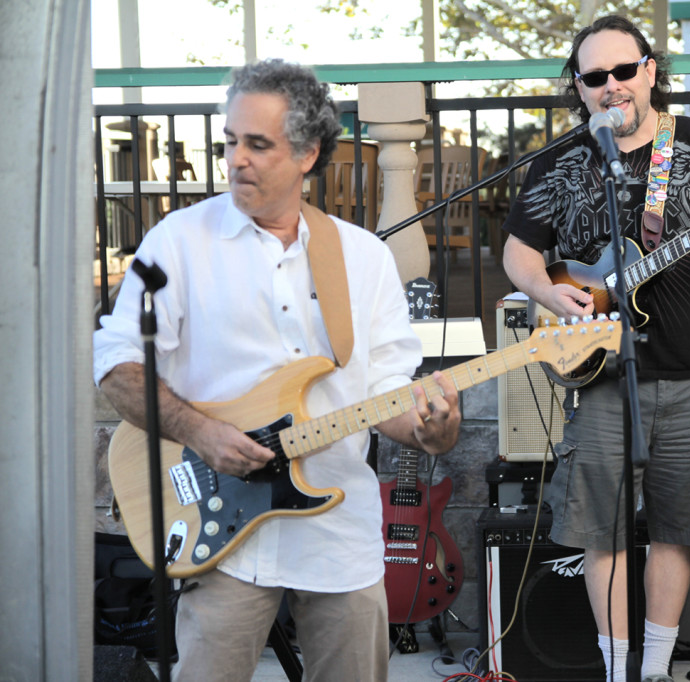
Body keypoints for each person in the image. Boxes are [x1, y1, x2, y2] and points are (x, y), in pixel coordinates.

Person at [94, 59, 461, 682]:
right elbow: (116, 363)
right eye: (230, 142)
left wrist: (434, 429)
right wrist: (201, 434)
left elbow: (388, 393)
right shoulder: (177, 242)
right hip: (220, 533)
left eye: (257, 145)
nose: (236, 159)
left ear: (307, 153)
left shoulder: (363, 257)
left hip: (338, 539)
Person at [501, 15, 690, 682]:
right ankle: (617, 672)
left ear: (650, 70)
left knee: (679, 528)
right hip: (598, 375)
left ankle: (654, 670)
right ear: (581, 88)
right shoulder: (560, 161)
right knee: (602, 532)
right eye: (595, 77)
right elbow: (518, 251)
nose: (612, 86)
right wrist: (548, 290)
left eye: (624, 70)